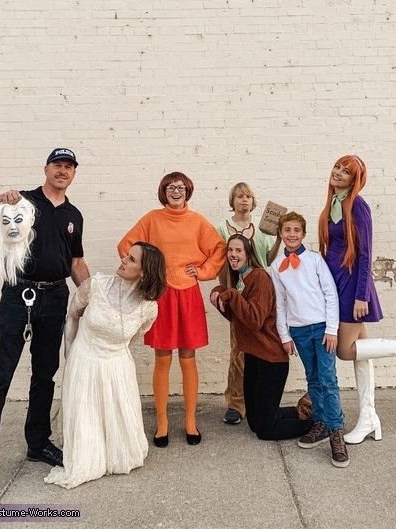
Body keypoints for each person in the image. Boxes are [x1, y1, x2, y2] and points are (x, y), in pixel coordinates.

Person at [0, 148, 90, 495]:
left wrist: (93, 297)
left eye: (69, 167)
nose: (63, 171)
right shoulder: (20, 201)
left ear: (74, 173)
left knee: (44, 374)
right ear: (47, 168)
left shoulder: (73, 215)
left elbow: (76, 263)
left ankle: (38, 442)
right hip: (18, 295)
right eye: (58, 165)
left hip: (55, 297)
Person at [318, 154, 396, 445]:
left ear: (354, 179)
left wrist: (361, 295)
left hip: (352, 286)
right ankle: (368, 417)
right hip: (336, 285)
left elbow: (365, 254)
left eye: (346, 171)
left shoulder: (358, 206)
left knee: (346, 351)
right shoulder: (331, 204)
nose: (338, 173)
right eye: (337, 167)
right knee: (362, 353)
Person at [45, 242, 166, 489]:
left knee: (123, 450)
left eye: (132, 259)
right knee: (86, 423)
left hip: (116, 366)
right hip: (84, 358)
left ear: (144, 272)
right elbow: (73, 314)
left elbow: (132, 339)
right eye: (127, 255)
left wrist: (119, 363)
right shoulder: (96, 285)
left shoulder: (148, 308)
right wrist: (71, 356)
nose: (123, 259)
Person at [118, 172, 226, 447]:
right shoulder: (152, 219)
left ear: (188, 191)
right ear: (163, 191)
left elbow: (219, 250)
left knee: (188, 357)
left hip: (188, 293)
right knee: (162, 358)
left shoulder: (198, 221)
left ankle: (190, 420)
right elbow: (126, 246)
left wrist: (202, 271)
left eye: (180, 187)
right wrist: (147, 272)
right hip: (161, 295)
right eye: (170, 187)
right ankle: (163, 422)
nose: (175, 191)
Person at [210, 234, 313, 441]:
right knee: (255, 423)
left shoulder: (258, 277)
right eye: (230, 250)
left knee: (265, 431)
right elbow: (237, 318)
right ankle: (299, 411)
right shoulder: (240, 280)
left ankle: (318, 424)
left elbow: (255, 320)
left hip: (271, 360)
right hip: (254, 357)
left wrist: (230, 295)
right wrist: (219, 298)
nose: (233, 255)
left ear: (248, 254)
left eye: (238, 250)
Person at [270, 211, 349, 467]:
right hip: (299, 331)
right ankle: (321, 423)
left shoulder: (315, 260)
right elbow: (280, 304)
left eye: (296, 230)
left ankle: (337, 431)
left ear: (303, 234)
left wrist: (332, 329)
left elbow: (330, 293)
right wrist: (284, 335)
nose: (292, 235)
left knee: (328, 379)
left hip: (322, 328)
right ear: (280, 234)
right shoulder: (275, 267)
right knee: (313, 379)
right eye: (287, 230)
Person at [216, 182, 282, 425]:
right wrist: (226, 292)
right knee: (239, 350)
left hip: (261, 293)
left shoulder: (264, 229)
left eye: (248, 196)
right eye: (239, 196)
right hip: (237, 294)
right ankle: (236, 402)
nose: (244, 200)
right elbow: (222, 263)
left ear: (253, 202)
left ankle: (257, 399)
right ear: (232, 200)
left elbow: (267, 260)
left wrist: (277, 241)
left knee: (260, 347)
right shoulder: (222, 229)